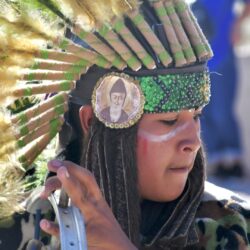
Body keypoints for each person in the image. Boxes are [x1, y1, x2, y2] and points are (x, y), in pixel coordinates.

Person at [0, 0, 250, 249]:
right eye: (168, 120)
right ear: (92, 122)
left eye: (196, 116)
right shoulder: (20, 230)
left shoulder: (235, 224)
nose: (194, 142)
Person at [191, 0, 250, 177]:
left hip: (223, 54)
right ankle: (217, 162)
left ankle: (234, 162)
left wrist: (237, 26)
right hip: (199, 61)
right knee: (205, 113)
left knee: (222, 112)